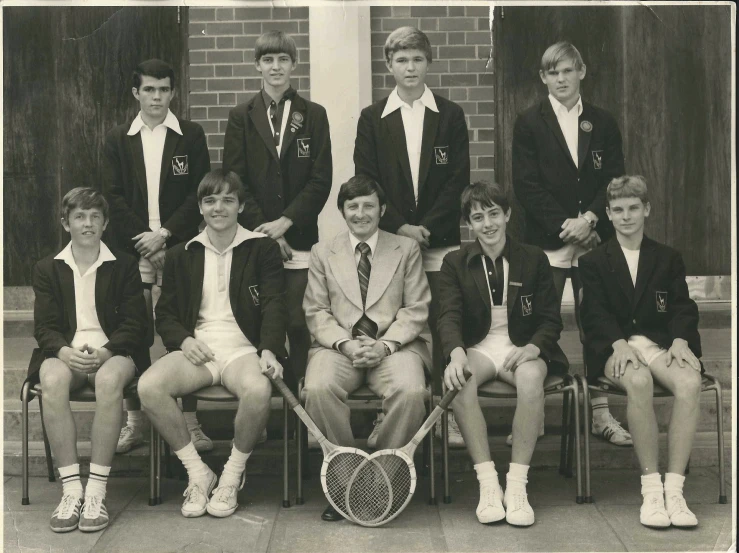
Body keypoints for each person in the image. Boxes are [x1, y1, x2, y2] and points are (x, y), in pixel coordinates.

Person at [137, 170, 287, 519]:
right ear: (201, 208)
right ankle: (199, 473)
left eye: (227, 200)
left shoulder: (262, 248)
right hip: (200, 349)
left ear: (241, 205)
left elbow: (274, 305)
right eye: (210, 200)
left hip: (244, 350)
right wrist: (184, 340)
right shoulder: (180, 254)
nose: (218, 207)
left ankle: (232, 475)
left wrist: (268, 348)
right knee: (149, 386)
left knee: (258, 390)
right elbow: (167, 314)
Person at [354, 26, 470, 447]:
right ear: (389, 65)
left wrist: (426, 228)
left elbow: (458, 179)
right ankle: (388, 409)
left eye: (418, 59)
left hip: (438, 241)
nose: (410, 68)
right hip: (391, 239)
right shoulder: (373, 118)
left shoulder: (451, 115)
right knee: (387, 321)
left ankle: (447, 411)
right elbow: (366, 177)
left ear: (428, 63)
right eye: (401, 60)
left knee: (442, 325)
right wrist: (399, 225)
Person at [512, 41, 631, 447]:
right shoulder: (529, 122)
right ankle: (536, 413)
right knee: (540, 323)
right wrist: (566, 225)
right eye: (552, 72)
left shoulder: (602, 122)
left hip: (595, 237)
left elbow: (613, 179)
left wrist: (591, 220)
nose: (561, 79)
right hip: (549, 240)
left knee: (597, 322)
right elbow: (526, 185)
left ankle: (601, 411)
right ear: (543, 78)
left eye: (568, 71)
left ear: (582, 71)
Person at [302, 175, 431, 522]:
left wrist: (385, 346)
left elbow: (416, 307)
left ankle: (381, 486)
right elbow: (316, 311)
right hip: (338, 348)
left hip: (393, 347)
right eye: (353, 206)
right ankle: (345, 487)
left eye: (368, 206)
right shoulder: (322, 252)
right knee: (316, 387)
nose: (361, 214)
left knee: (411, 389)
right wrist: (345, 343)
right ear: (342, 211)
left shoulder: (405, 249)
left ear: (382, 209)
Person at [439, 181, 568, 526]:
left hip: (521, 346)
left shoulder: (534, 258)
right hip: (479, 348)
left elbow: (550, 318)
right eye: (478, 217)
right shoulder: (455, 261)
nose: (488, 224)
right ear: (469, 223)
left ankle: (516, 485)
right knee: (459, 381)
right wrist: (455, 353)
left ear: (508, 214)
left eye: (494, 213)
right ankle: (487, 484)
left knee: (529, 379)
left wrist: (532, 347)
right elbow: (447, 315)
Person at [103, 58, 213, 454]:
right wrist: (145, 241)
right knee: (136, 330)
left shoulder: (190, 135)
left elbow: (198, 193)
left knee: (183, 327)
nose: (156, 96)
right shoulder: (118, 138)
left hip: (178, 246)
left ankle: (190, 421)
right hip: (133, 249)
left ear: (172, 92)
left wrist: (166, 236)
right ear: (136, 93)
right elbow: (112, 196)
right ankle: (134, 422)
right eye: (149, 89)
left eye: (164, 89)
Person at [579, 175, 702, 528]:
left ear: (646, 209)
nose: (626, 216)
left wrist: (681, 340)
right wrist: (617, 343)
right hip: (613, 346)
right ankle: (651, 491)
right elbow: (594, 313)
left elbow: (682, 307)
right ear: (608, 214)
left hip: (658, 344)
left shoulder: (666, 257)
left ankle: (675, 491)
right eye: (618, 210)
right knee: (639, 382)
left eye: (634, 208)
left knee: (690, 384)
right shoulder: (594, 261)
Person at [30, 188, 149, 532]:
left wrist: (106, 352)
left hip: (115, 351)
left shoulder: (125, 265)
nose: (88, 223)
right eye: (80, 216)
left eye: (95, 216)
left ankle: (96, 491)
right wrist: (65, 352)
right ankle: (71, 491)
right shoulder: (46, 268)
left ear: (105, 223)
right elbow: (45, 328)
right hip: (64, 352)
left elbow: (135, 324)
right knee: (50, 380)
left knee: (109, 381)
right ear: (65, 222)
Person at [223, 30, 332, 389]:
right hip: (256, 235)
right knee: (262, 320)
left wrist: (285, 223)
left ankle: (300, 402)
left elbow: (321, 179)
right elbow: (235, 179)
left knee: (299, 322)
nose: (276, 67)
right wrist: (266, 231)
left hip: (299, 236)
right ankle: (264, 403)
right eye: (268, 60)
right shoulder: (241, 115)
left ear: (294, 64)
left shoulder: (314, 114)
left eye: (283, 59)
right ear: (257, 65)